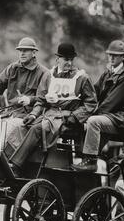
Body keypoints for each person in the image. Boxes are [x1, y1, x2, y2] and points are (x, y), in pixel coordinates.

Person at [5, 42, 97, 173]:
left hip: (67, 118)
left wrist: (75, 116)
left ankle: (16, 165)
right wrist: (33, 114)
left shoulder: (82, 78)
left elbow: (91, 103)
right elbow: (41, 100)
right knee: (21, 126)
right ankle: (26, 166)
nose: (69, 63)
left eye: (71, 60)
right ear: (57, 59)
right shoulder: (49, 75)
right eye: (66, 60)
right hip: (49, 115)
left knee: (37, 129)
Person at [72, 40, 124, 172]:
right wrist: (78, 105)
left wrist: (87, 115)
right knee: (80, 121)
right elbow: (94, 92)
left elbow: (110, 104)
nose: (112, 57)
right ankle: (85, 161)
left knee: (93, 121)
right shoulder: (108, 72)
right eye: (110, 55)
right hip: (111, 116)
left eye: (115, 55)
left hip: (123, 119)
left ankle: (91, 162)